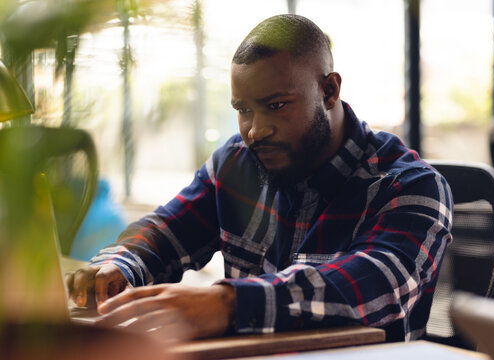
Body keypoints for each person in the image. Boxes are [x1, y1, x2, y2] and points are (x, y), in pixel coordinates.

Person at [66, 14, 453, 342]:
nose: (255, 130)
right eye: (243, 110)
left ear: (329, 90)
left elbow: (374, 285)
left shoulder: (412, 187)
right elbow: (162, 232)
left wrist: (228, 304)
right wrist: (119, 264)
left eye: (276, 105)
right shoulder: (234, 165)